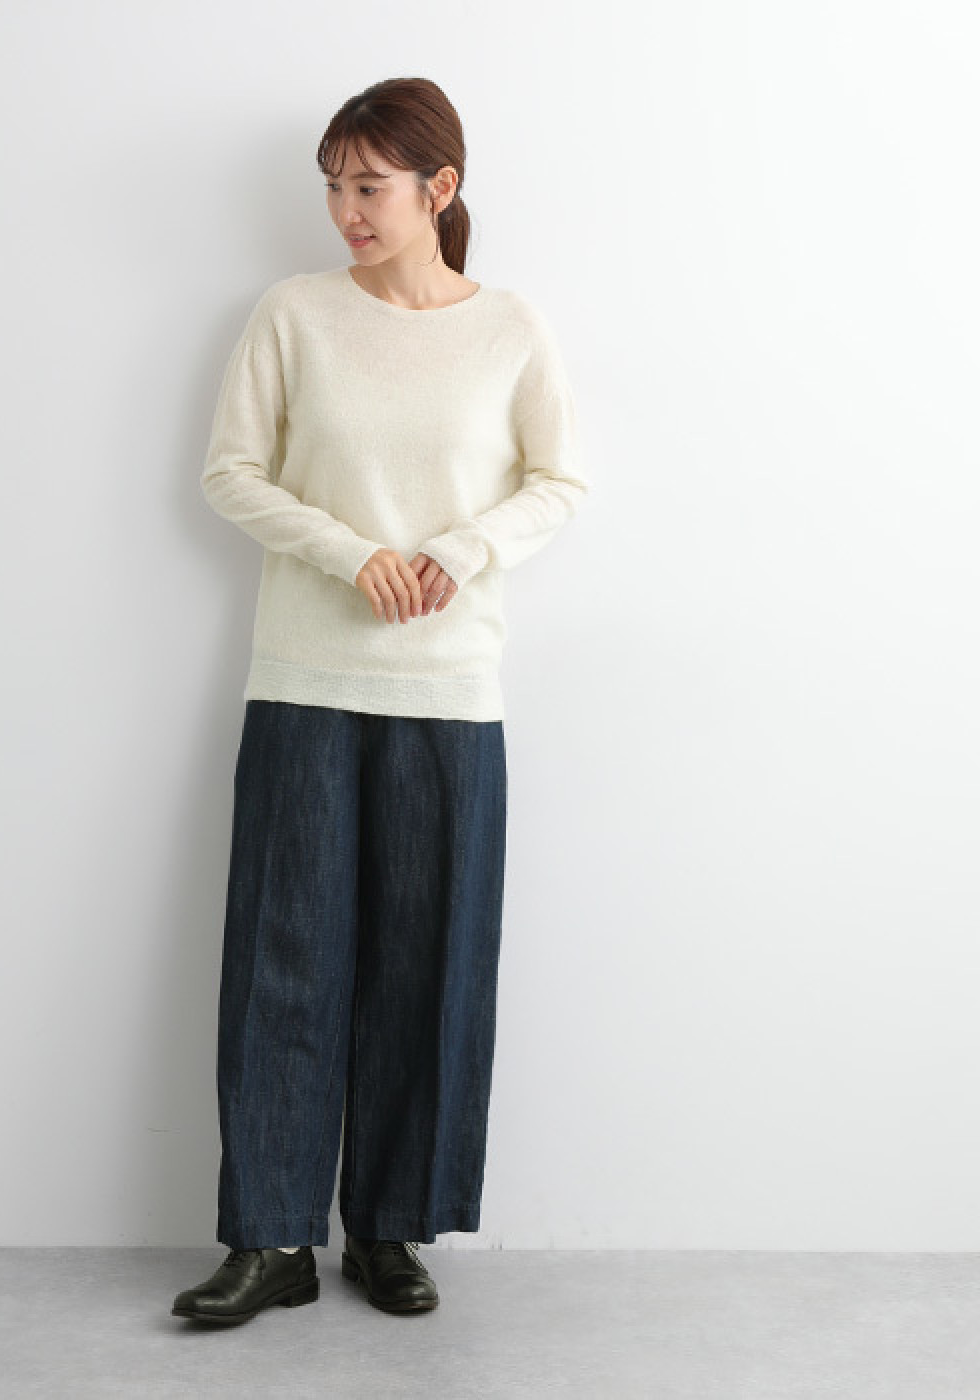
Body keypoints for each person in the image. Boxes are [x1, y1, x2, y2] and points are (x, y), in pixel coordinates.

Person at [171, 76, 589, 1326]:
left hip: (450, 689)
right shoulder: (293, 314)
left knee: (428, 961)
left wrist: (457, 551)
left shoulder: (510, 327)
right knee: (285, 959)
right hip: (305, 677)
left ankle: (391, 1229)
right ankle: (271, 1238)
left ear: (438, 187)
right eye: (334, 187)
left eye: (369, 185)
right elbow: (230, 472)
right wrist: (355, 553)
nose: (346, 210)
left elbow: (560, 480)